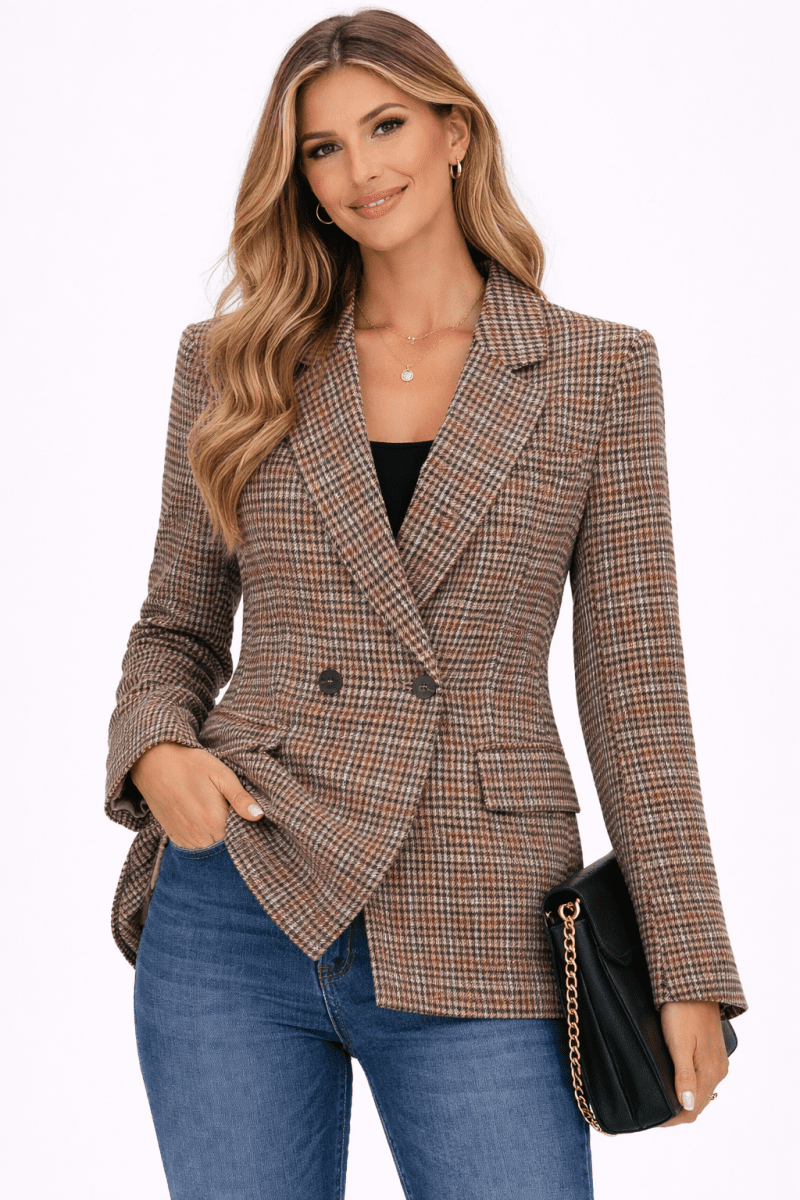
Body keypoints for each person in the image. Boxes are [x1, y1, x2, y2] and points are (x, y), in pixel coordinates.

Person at [104, 9, 748, 1198]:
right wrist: (155, 749)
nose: (360, 168)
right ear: (299, 179)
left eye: (386, 125)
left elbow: (635, 693)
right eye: (322, 147)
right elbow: (175, 628)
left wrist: (684, 961)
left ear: (455, 132)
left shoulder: (597, 372)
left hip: (480, 909)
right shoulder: (236, 362)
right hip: (240, 897)